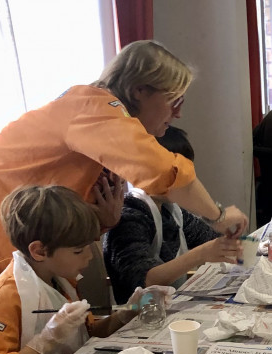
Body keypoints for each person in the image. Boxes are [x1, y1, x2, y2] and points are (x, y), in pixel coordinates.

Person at [0, 40, 247, 288]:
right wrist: (217, 214)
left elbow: (63, 206)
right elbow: (163, 171)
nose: (177, 113)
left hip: (0, 231)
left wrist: (103, 221)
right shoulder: (92, 108)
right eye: (174, 100)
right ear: (140, 90)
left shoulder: (100, 116)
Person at [0, 186, 157, 354]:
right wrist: (43, 343)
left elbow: (85, 333)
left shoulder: (60, 280)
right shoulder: (6, 298)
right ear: (39, 251)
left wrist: (127, 312)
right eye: (79, 250)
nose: (89, 257)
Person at [103, 126, 241, 303]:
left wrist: (230, 237)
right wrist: (200, 254)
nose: (186, 183)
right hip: (139, 315)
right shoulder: (128, 217)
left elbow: (209, 237)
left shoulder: (171, 210)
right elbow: (145, 280)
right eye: (177, 174)